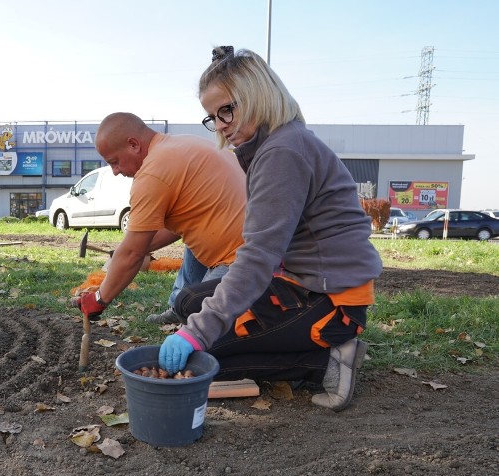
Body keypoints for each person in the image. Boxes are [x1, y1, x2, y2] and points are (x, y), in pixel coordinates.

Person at [158, 47, 382, 411]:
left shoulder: (282, 152)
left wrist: (196, 334)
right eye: (212, 117)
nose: (221, 124)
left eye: (226, 110)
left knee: (210, 360)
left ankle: (327, 356)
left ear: (256, 95)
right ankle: (302, 340)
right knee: (187, 301)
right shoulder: (275, 145)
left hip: (332, 299)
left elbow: (258, 256)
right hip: (303, 283)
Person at [73, 112, 246, 329]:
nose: (115, 171)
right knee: (192, 239)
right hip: (257, 241)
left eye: (115, 162)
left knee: (198, 319)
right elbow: (171, 228)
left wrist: (99, 299)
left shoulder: (152, 173)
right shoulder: (182, 144)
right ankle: (178, 309)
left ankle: (185, 309)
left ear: (134, 144)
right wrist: (130, 247)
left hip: (246, 262)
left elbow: (133, 254)